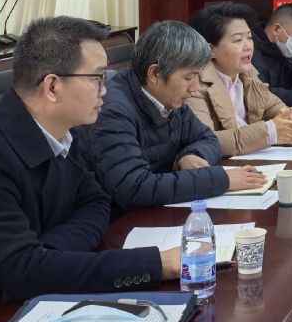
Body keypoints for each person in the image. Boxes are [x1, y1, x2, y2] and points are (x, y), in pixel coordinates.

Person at [0, 17, 178, 320]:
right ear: (52, 86)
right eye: (97, 79)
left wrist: (50, 253)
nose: (104, 91)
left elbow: (96, 202)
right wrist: (156, 264)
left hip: (37, 299)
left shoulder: (64, 130)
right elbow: (23, 273)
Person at [78, 20, 268, 215]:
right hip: (122, 220)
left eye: (198, 76)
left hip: (159, 209)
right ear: (155, 73)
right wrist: (221, 180)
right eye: (188, 77)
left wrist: (191, 155)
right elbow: (133, 187)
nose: (195, 87)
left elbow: (207, 138)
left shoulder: (170, 98)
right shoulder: (113, 112)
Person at [188, 5, 292, 157]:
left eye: (249, 38)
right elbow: (207, 141)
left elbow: (271, 104)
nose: (248, 46)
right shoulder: (193, 85)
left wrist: (286, 115)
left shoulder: (247, 73)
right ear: (210, 50)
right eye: (238, 40)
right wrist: (270, 131)